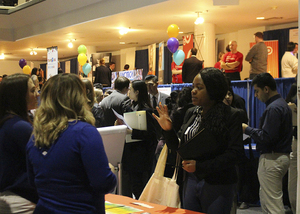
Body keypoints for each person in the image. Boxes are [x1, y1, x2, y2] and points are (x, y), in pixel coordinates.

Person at [153, 67, 243, 213]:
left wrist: (200, 166)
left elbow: (235, 154)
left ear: (213, 90)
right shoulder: (191, 112)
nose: (193, 91)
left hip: (218, 182)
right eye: (193, 87)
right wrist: (168, 130)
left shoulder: (231, 115)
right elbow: (179, 147)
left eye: (199, 88)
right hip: (190, 179)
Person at [26, 73, 117, 214]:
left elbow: (33, 183)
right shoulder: (84, 133)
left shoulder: (36, 137)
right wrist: (111, 171)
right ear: (78, 98)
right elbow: (103, 183)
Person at [242, 73, 292, 214]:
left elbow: (266, 137)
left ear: (266, 89)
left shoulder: (274, 108)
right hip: (278, 157)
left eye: (257, 91)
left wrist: (247, 129)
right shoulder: (281, 105)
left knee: (272, 205)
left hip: (272, 158)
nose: (256, 95)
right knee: (269, 200)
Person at [0, 73, 39, 213]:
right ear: (18, 95)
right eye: (32, 90)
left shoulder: (8, 121)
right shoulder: (19, 127)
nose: (37, 94)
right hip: (21, 199)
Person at [118, 80, 158, 199]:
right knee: (133, 185)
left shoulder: (146, 111)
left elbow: (151, 135)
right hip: (132, 154)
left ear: (137, 92)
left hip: (141, 156)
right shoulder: (131, 106)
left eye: (131, 90)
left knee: (139, 186)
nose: (129, 92)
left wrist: (132, 132)